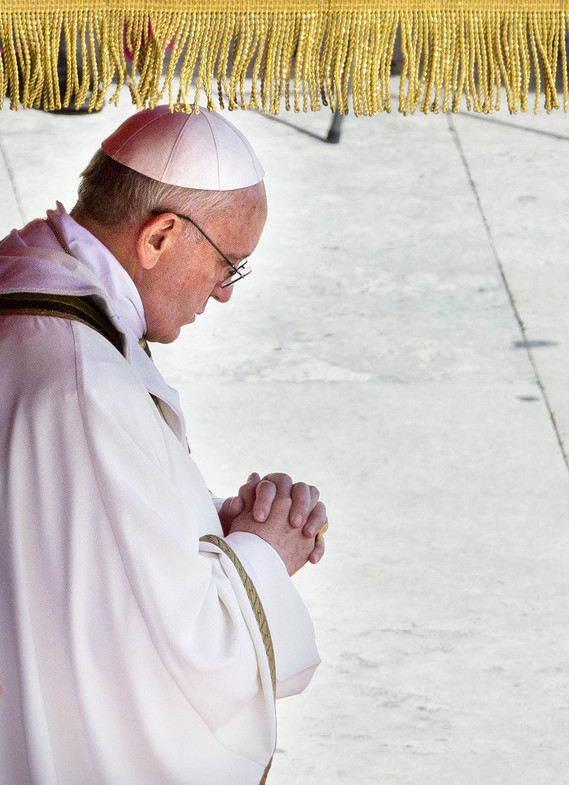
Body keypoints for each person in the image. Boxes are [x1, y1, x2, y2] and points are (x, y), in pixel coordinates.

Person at [0, 105, 327, 785]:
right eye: (228, 264)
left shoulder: (30, 283)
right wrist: (266, 552)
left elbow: (75, 523)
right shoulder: (84, 385)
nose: (224, 292)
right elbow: (180, 655)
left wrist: (216, 520)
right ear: (159, 237)